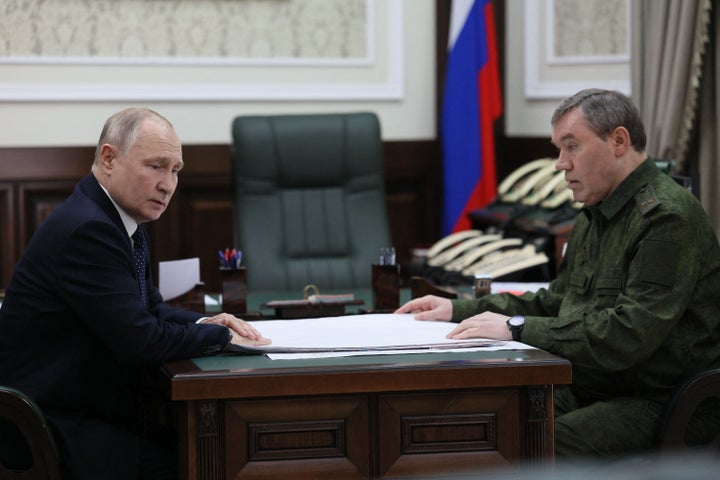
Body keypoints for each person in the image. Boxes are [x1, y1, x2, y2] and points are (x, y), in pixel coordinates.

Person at [396, 89, 720, 458]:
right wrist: (459, 309)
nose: (559, 164)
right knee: (476, 425)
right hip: (593, 385)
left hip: (662, 401)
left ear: (618, 141)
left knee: (524, 447)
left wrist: (516, 328)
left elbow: (629, 334)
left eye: (572, 147)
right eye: (558, 149)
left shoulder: (665, 219)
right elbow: (557, 301)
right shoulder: (595, 213)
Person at [0, 108, 271, 479]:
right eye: (156, 166)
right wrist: (223, 338)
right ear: (109, 158)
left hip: (88, 409)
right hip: (53, 426)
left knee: (216, 447)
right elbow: (141, 340)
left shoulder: (116, 220)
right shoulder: (88, 230)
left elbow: (150, 308)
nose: (168, 184)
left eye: (175, 170)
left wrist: (207, 320)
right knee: (213, 460)